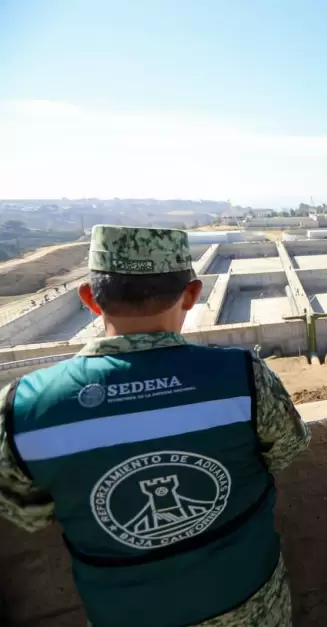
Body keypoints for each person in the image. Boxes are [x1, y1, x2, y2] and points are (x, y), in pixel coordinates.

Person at [0, 225, 310, 627]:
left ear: (90, 299)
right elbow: (287, 449)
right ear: (192, 295)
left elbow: (29, 514)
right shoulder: (242, 378)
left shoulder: (25, 406)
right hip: (251, 604)